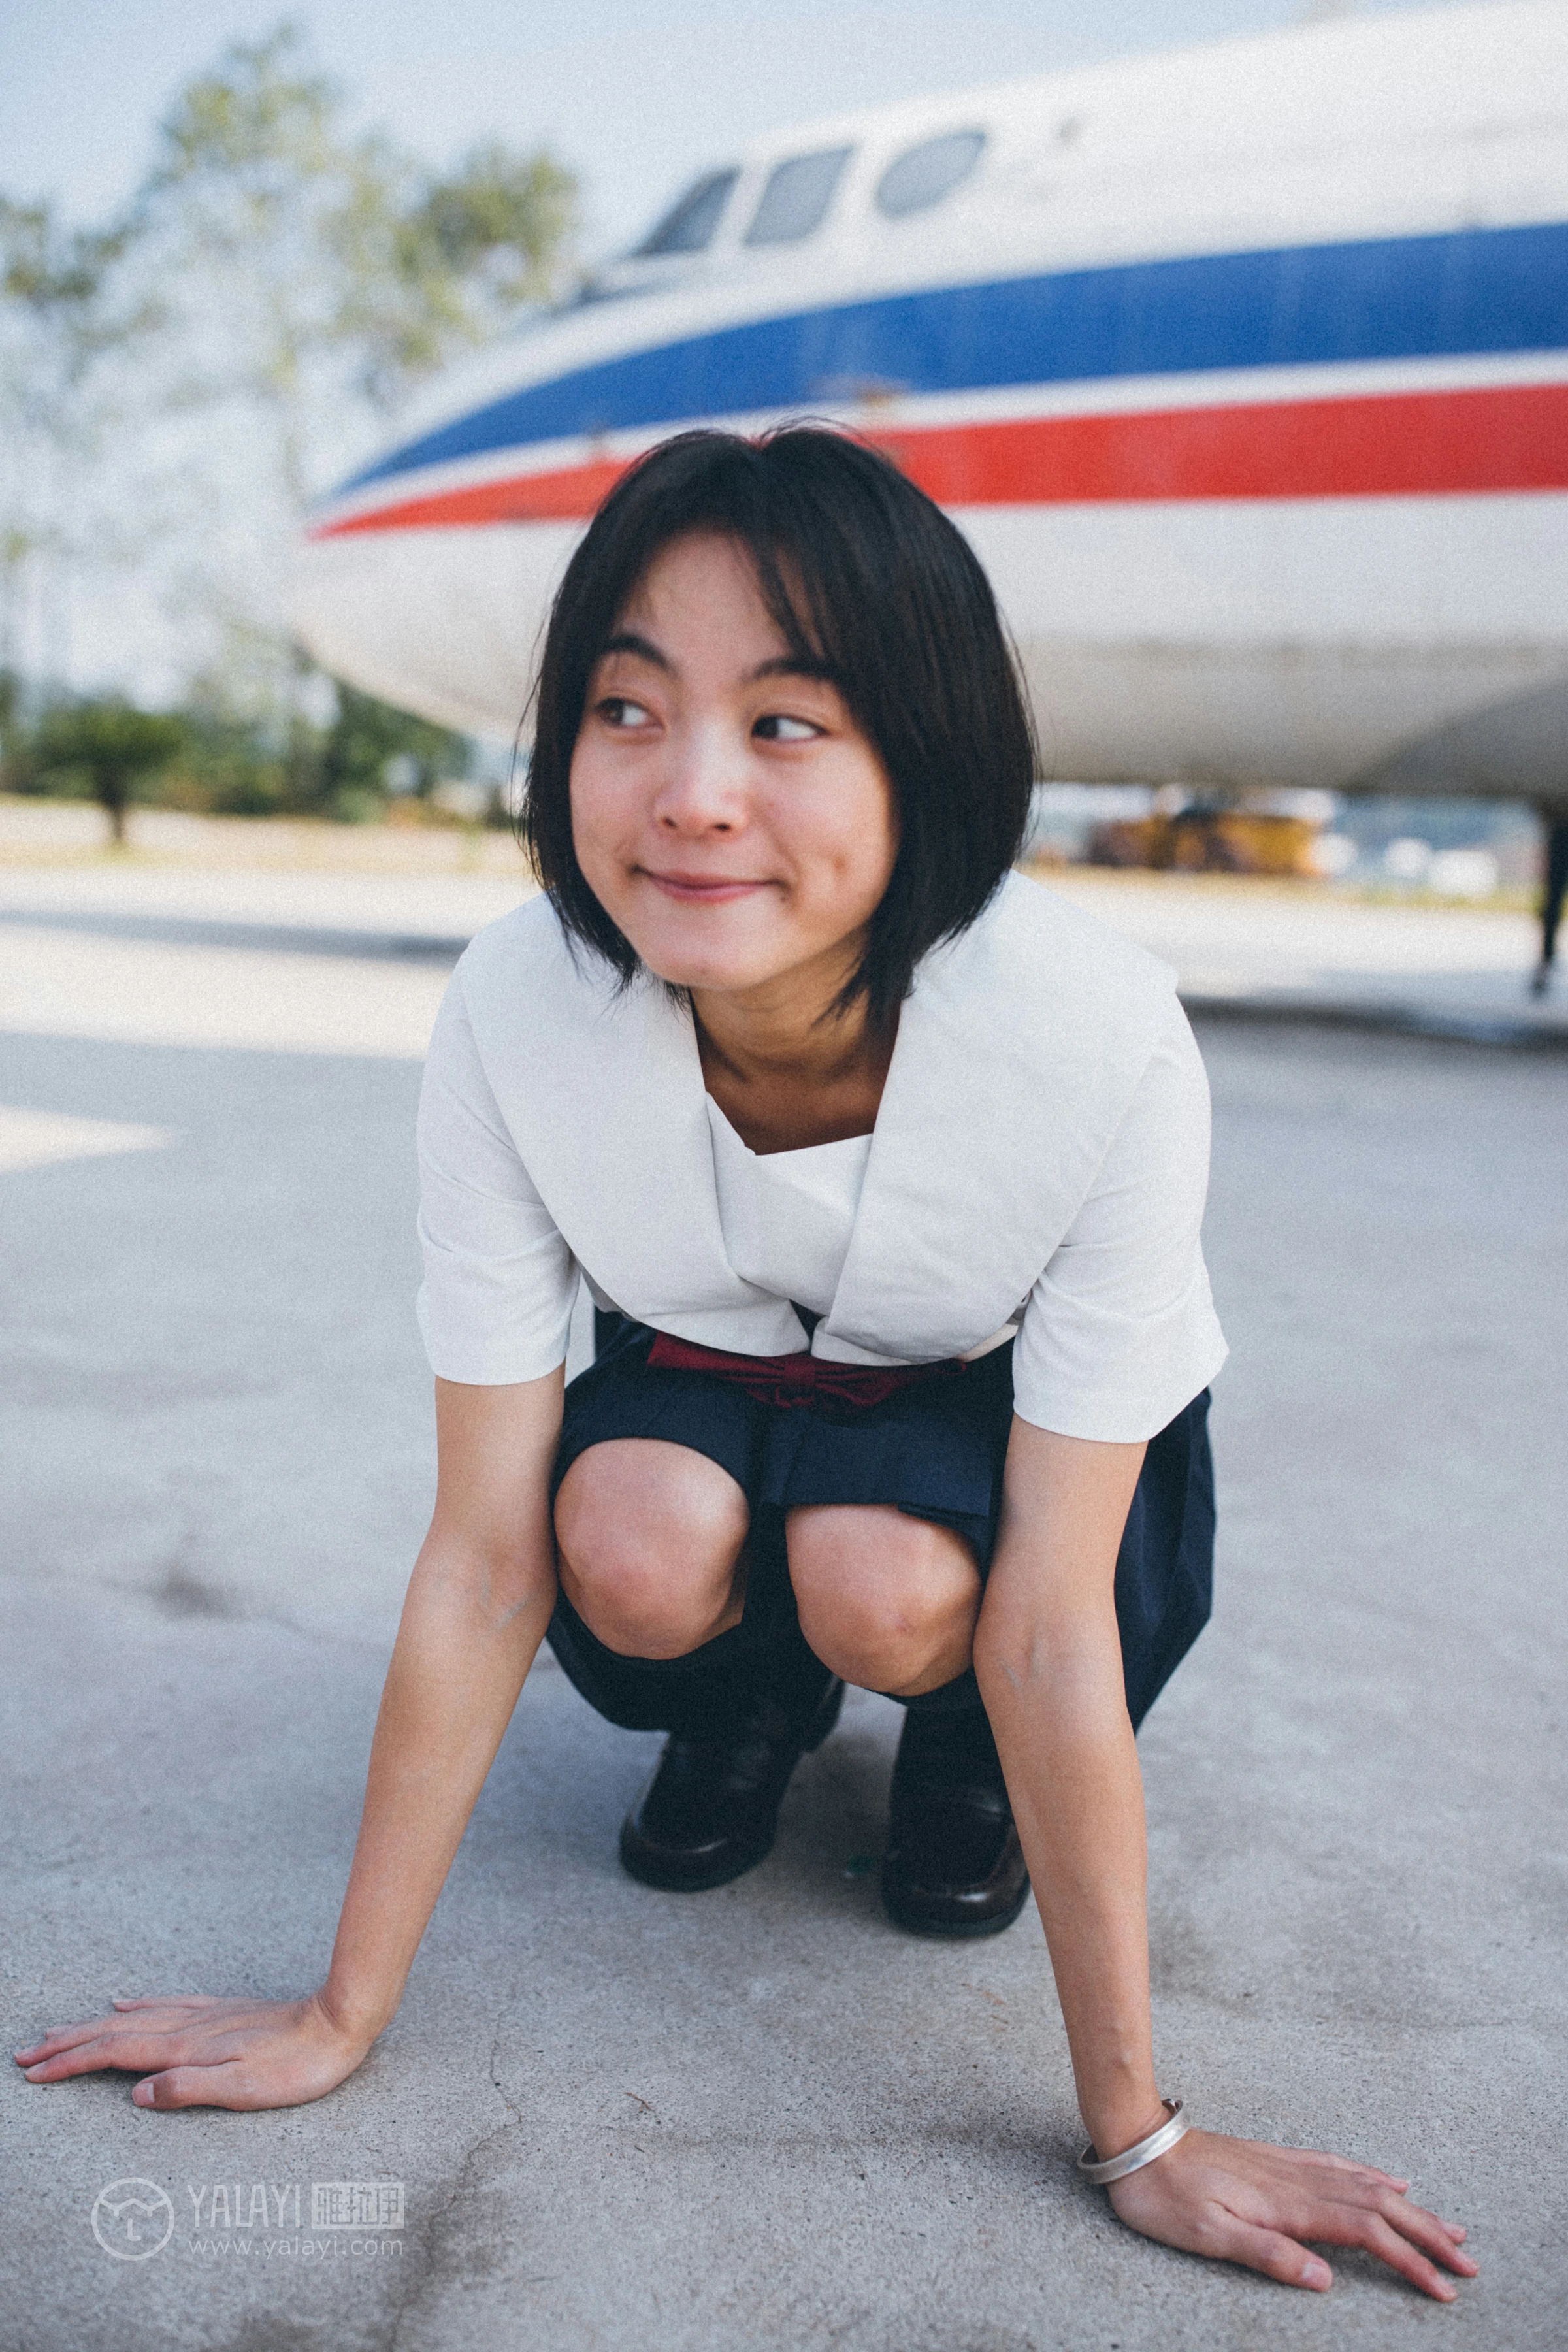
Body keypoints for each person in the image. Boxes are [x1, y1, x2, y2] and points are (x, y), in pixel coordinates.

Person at [16, 429, 1475, 2304]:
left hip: (988, 1425)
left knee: (894, 1586)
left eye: (786, 724)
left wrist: (1145, 2139)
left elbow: (1051, 1605)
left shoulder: (1094, 1035)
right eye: (629, 706)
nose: (688, 794)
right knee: (617, 1533)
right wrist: (336, 2012)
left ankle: (949, 1760)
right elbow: (484, 1552)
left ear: (922, 755)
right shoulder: (513, 1009)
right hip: (719, 1378)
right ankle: (744, 1707)